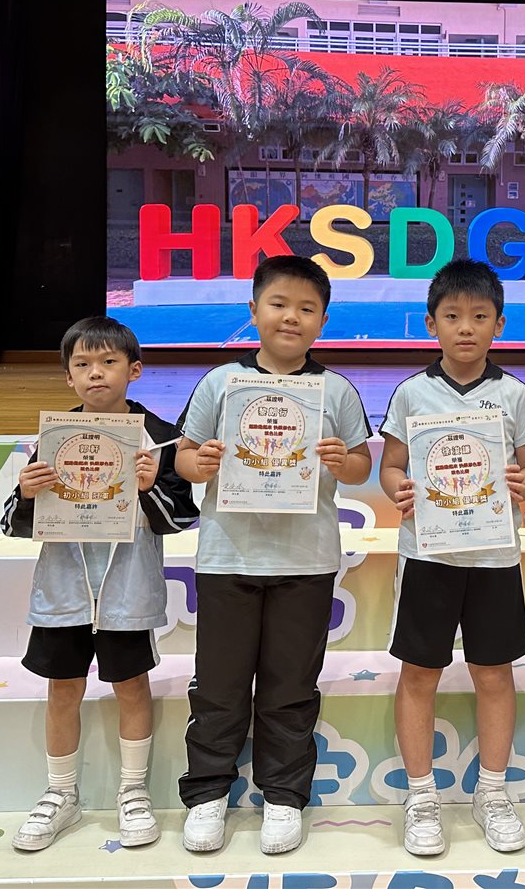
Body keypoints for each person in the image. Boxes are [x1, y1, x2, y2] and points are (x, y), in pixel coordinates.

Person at [175, 255, 373, 856]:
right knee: (219, 684)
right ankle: (208, 792)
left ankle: (284, 796)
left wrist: (343, 461)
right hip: (228, 558)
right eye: (279, 304)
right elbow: (184, 457)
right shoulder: (221, 383)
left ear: (323, 321)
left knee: (291, 686)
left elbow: (362, 465)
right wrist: (200, 463)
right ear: (253, 310)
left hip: (305, 561)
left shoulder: (336, 390)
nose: (292, 317)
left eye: (307, 309)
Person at [1, 316, 199, 851]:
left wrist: (149, 489)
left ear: (134, 370)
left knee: (131, 687)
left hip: (126, 595)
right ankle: (60, 793)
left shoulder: (160, 437)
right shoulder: (54, 438)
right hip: (63, 593)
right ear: (68, 377)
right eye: (83, 364)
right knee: (62, 688)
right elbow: (12, 524)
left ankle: (133, 792)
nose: (96, 373)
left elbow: (183, 517)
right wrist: (26, 493)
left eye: (109, 362)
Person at [379, 259, 525, 856]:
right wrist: (398, 488)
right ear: (431, 324)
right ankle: (421, 796)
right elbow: (391, 465)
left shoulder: (514, 393)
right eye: (452, 316)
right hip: (428, 555)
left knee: (494, 673)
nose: (466, 328)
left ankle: (493, 793)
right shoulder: (411, 392)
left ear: (499, 324)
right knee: (419, 673)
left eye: (479, 316)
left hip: (494, 557)